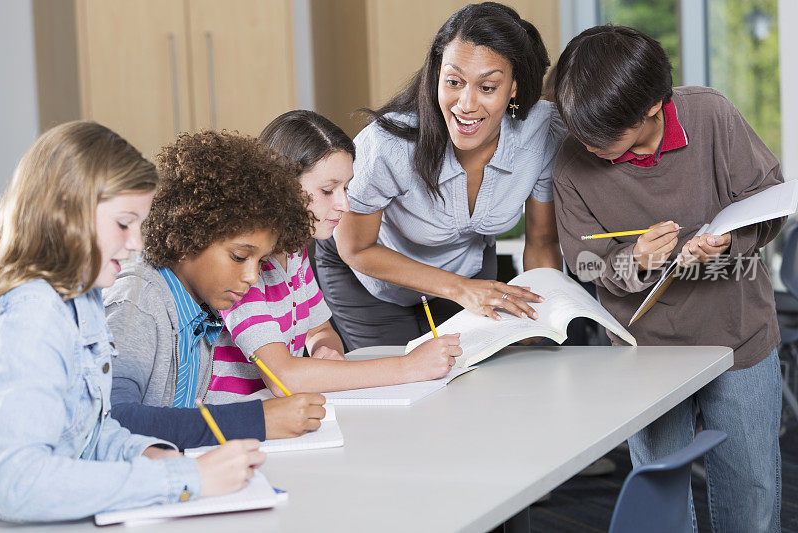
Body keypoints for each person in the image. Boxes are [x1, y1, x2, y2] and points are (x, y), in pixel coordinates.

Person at [553, 25, 783, 531]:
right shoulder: (573, 160)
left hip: (738, 337)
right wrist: (633, 260)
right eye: (578, 130)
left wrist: (729, 242)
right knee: (662, 505)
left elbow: (771, 203)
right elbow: (583, 263)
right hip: (645, 353)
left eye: (600, 136)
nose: (586, 146)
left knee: (752, 499)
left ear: (652, 109)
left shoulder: (712, 115)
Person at [0, 121, 264, 522]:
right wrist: (180, 479)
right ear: (64, 215)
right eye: (124, 224)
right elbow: (17, 485)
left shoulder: (83, 298)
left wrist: (145, 454)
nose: (137, 242)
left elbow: (87, 434)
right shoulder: (35, 318)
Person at [315, 1, 565, 350]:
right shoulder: (388, 145)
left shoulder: (541, 131)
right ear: (437, 75)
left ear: (514, 87)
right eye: (453, 82)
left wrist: (547, 313)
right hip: (367, 271)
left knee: (473, 376)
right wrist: (460, 289)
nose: (465, 103)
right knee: (401, 379)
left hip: (468, 268)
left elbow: (541, 242)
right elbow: (357, 248)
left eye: (488, 87)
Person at [206, 110, 461, 400]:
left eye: (346, 188)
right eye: (328, 190)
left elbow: (319, 329)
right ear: (280, 186)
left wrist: (323, 349)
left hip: (284, 412)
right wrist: (409, 367)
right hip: (237, 423)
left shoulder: (294, 250)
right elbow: (283, 378)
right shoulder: (243, 264)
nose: (344, 205)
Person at [103, 130, 327, 449]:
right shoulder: (138, 305)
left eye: (260, 260)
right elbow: (113, 419)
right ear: (190, 232)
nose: (251, 277)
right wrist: (256, 421)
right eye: (239, 256)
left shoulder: (202, 305)